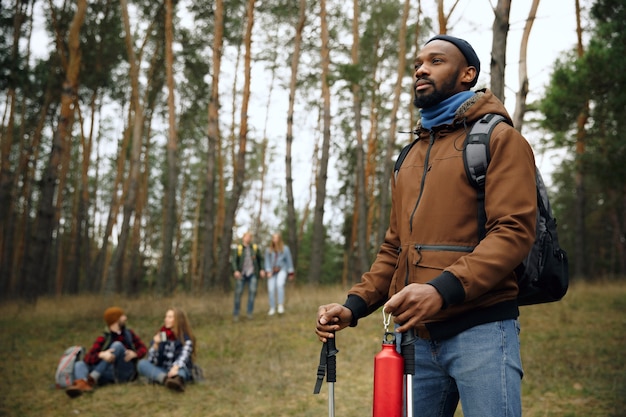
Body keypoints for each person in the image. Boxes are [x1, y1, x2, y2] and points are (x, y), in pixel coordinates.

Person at [315, 34, 537, 417]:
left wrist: (440, 290)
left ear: (467, 74)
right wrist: (353, 306)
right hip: (413, 339)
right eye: (418, 63)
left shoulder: (500, 140)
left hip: (483, 332)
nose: (420, 69)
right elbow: (394, 249)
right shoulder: (411, 155)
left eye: (436, 61)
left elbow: (513, 232)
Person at [65, 306, 147, 398]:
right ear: (116, 319)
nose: (125, 318)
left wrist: (135, 354)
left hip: (124, 371)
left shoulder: (129, 334)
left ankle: (91, 379)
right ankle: (82, 385)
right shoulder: (104, 337)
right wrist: (101, 355)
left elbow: (143, 348)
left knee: (117, 345)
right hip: (108, 372)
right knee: (79, 364)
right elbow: (88, 358)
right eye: (122, 316)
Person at [137, 307, 196, 392]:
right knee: (142, 364)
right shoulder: (162, 335)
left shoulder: (186, 339)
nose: (166, 319)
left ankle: (176, 380)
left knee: (182, 371)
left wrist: (175, 368)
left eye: (170, 317)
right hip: (163, 369)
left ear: (178, 320)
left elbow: (183, 357)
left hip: (178, 369)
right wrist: (156, 345)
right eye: (166, 317)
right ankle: (166, 380)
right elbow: (151, 361)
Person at [231, 231, 265, 321]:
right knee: (238, 293)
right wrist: (235, 271)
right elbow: (234, 261)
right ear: (243, 238)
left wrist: (261, 269)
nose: (248, 239)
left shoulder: (254, 248)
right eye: (247, 237)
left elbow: (260, 259)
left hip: (252, 273)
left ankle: (249, 313)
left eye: (250, 237)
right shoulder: (238, 248)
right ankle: (236, 314)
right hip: (241, 274)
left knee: (252, 292)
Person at [264, 232, 295, 315]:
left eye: (276, 237)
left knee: (279, 284)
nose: (275, 239)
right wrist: (268, 271)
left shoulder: (285, 249)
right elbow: (267, 261)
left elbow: (289, 260)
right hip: (271, 271)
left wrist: (291, 272)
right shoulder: (268, 250)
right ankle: (272, 307)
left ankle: (280, 305)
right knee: (271, 289)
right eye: (273, 237)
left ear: (279, 239)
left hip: (282, 269)